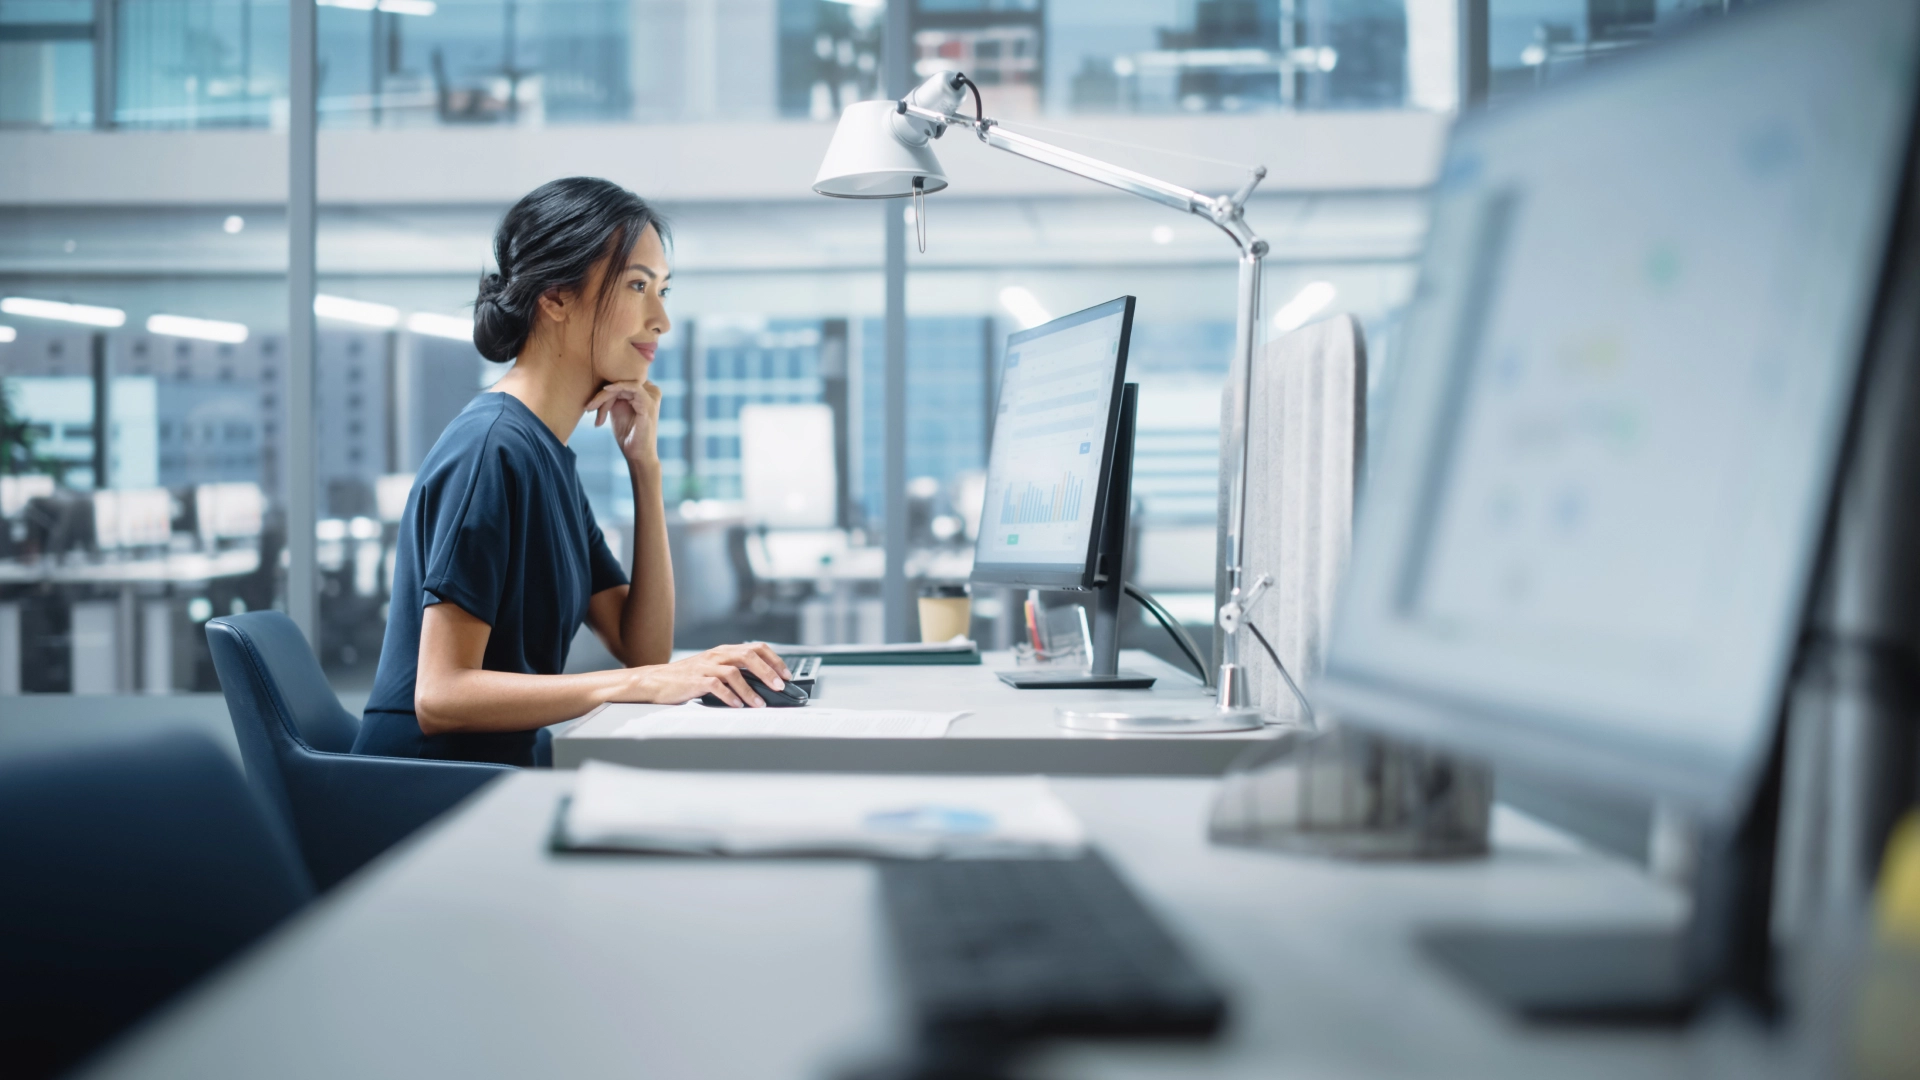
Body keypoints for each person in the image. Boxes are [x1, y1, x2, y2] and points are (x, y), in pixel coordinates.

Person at [355, 177, 790, 767]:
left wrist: (645, 468)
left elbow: (643, 648)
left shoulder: (546, 455)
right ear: (555, 297)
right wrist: (632, 686)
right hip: (427, 791)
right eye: (638, 286)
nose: (660, 319)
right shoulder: (492, 450)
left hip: (502, 773)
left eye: (662, 290)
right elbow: (441, 694)